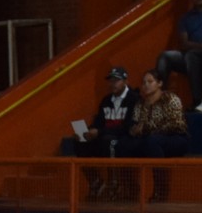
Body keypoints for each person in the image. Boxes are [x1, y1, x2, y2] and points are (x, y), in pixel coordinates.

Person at [128, 70, 190, 201]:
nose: (146, 85)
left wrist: (146, 128)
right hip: (149, 138)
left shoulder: (170, 99)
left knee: (152, 142)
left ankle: (161, 190)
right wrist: (134, 130)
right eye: (144, 82)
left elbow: (176, 124)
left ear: (160, 83)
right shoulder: (140, 103)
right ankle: (129, 189)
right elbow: (135, 123)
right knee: (124, 143)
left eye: (150, 82)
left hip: (176, 138)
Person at [75, 68, 136, 199]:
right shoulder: (106, 100)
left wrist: (100, 132)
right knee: (80, 140)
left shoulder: (134, 99)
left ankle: (115, 184)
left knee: (109, 141)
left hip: (123, 138)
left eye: (117, 80)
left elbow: (128, 127)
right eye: (111, 80)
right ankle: (95, 181)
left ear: (125, 81)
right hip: (103, 136)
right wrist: (90, 130)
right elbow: (99, 121)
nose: (113, 83)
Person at [155, 0, 202, 106]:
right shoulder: (185, 18)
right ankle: (159, 100)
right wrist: (200, 46)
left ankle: (198, 100)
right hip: (194, 53)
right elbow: (184, 44)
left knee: (191, 55)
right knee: (165, 56)